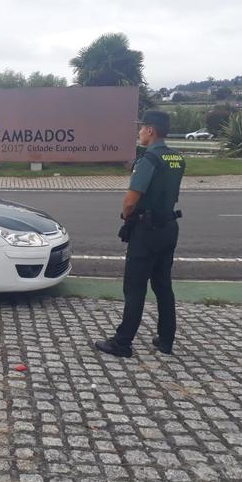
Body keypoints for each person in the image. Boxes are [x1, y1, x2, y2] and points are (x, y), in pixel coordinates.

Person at [95, 110, 186, 358]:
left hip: (147, 232)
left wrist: (127, 217)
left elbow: (131, 200)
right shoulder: (177, 158)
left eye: (141, 128)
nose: (139, 132)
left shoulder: (149, 159)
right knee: (163, 285)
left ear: (150, 130)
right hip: (169, 227)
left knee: (134, 288)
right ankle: (166, 340)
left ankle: (122, 343)